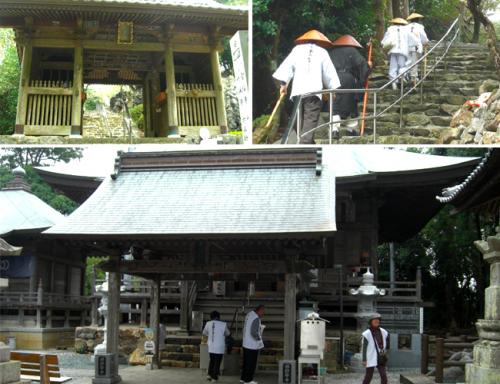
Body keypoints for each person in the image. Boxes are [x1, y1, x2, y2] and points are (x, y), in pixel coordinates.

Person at [273, 30, 341, 144]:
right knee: (309, 119)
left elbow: (287, 66)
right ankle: (306, 143)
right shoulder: (322, 52)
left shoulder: (297, 50)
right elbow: (329, 73)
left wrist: (283, 85)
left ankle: (306, 143)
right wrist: (333, 89)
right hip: (313, 92)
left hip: (298, 91)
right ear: (319, 42)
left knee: (297, 120)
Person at [328, 35, 371, 136]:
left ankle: (335, 129)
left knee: (335, 104)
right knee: (351, 103)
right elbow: (362, 65)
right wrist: (368, 66)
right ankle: (352, 129)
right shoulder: (352, 50)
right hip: (348, 79)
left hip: (332, 78)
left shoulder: (331, 52)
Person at [381, 18, 422, 90]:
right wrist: (415, 43)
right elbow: (414, 40)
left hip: (393, 50)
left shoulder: (390, 29)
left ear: (394, 23)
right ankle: (401, 76)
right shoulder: (406, 29)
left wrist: (384, 45)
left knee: (393, 66)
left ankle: (393, 82)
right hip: (403, 51)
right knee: (402, 65)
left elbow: (384, 41)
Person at [361, 314, 390, 384]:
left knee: (384, 377)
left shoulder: (383, 331)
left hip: (381, 356)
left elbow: (387, 340)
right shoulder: (367, 333)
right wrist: (364, 359)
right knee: (368, 376)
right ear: (371, 322)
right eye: (375, 321)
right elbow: (364, 347)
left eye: (378, 321)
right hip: (371, 356)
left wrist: (386, 351)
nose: (376, 322)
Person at [240, 305, 265, 384]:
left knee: (246, 362)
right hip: (252, 345)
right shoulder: (256, 318)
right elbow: (254, 332)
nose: (263, 313)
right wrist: (259, 339)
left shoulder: (249, 314)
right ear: (259, 310)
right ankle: (248, 380)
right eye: (263, 311)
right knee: (251, 363)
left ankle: (243, 378)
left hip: (246, 343)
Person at [202, 311, 230, 382]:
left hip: (211, 345)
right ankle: (214, 377)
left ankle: (209, 375)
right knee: (217, 362)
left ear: (211, 317)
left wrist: (210, 334)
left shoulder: (208, 323)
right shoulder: (223, 324)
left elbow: (204, 332)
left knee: (212, 360)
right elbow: (228, 333)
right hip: (220, 346)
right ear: (218, 317)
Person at [406, 13, 429, 85]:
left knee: (409, 62)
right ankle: (414, 78)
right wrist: (425, 42)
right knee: (414, 63)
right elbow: (423, 37)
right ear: (418, 20)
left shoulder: (406, 27)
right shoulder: (419, 27)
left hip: (407, 47)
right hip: (416, 47)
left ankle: (407, 76)